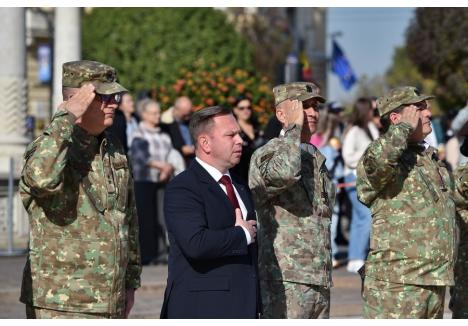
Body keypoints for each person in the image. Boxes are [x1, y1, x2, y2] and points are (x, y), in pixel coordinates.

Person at [19, 60, 141, 318]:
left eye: (115, 96)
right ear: (78, 100)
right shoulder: (50, 145)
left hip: (109, 298)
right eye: (104, 97)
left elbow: (127, 216)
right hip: (62, 302)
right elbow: (40, 179)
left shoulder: (112, 147)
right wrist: (67, 117)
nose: (114, 104)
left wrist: (130, 282)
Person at [356, 86, 457, 318]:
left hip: (433, 280)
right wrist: (402, 129)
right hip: (397, 284)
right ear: (395, 118)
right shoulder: (379, 154)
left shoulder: (428, 159)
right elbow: (378, 165)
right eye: (419, 109)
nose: (428, 113)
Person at [160, 106, 260, 318]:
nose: (239, 140)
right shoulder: (184, 187)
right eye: (230, 135)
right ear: (205, 143)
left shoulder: (240, 185)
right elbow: (196, 244)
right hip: (202, 308)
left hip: (244, 306)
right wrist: (241, 234)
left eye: (239, 134)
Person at [249, 82, 335, 318]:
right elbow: (283, 173)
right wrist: (293, 128)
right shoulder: (270, 152)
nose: (312, 113)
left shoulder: (315, 157)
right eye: (303, 106)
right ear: (281, 113)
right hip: (286, 279)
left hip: (318, 276)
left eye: (315, 107)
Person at [130, 99, 180, 265]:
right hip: (144, 181)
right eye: (154, 113)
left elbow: (172, 155)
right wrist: (162, 167)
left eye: (158, 112)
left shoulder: (164, 135)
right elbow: (140, 157)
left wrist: (169, 168)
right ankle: (147, 255)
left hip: (162, 181)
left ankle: (161, 253)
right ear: (144, 115)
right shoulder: (138, 134)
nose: (157, 116)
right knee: (146, 220)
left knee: (162, 217)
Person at [342, 97, 379, 273]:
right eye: (372, 110)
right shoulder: (354, 131)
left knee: (359, 219)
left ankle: (356, 255)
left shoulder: (371, 128)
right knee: (365, 217)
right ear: (365, 110)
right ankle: (356, 257)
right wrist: (367, 155)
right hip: (353, 178)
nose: (375, 113)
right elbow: (348, 156)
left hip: (368, 180)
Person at [231, 95, 264, 183]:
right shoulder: (233, 130)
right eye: (242, 108)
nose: (246, 111)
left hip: (260, 175)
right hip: (241, 175)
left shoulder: (257, 128)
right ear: (235, 110)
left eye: (248, 108)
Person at [161, 96, 195, 167]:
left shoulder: (191, 119)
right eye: (185, 115)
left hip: (193, 161)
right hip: (178, 164)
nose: (187, 117)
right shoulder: (166, 123)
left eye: (189, 114)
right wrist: (180, 149)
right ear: (176, 110)